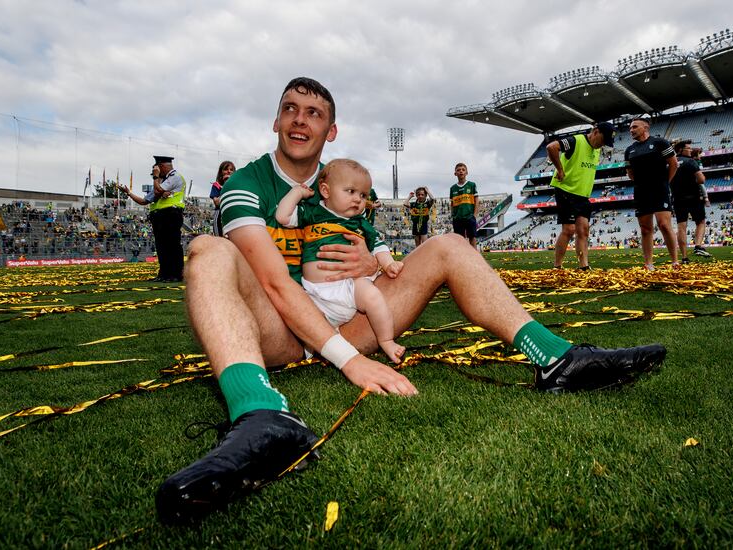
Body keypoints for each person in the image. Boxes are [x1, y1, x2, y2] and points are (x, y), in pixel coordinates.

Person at [155, 77, 667, 525]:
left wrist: (374, 262)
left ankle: (553, 358)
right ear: (276, 120)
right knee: (207, 250)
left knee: (448, 245)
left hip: (350, 315)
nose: (299, 120)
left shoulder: (344, 182)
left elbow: (380, 251)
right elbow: (272, 281)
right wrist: (351, 361)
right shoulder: (246, 183)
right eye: (290, 108)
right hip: (275, 331)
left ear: (330, 132)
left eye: (314, 113)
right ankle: (262, 412)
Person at [275, 158, 405, 363]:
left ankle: (387, 340)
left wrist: (388, 263)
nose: (358, 200)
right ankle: (317, 345)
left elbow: (378, 245)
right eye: (350, 191)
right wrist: (297, 192)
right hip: (313, 296)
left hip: (349, 289)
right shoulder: (313, 212)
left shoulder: (360, 223)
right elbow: (283, 216)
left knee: (373, 297)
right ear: (326, 191)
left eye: (363, 195)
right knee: (293, 316)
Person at [547, 122, 616, 270]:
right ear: (596, 132)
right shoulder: (576, 141)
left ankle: (583, 266)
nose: (602, 145)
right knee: (569, 229)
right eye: (603, 141)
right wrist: (559, 169)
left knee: (584, 230)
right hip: (566, 191)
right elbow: (552, 147)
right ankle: (557, 266)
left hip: (582, 195)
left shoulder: (597, 150)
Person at [117, 155, 186, 281]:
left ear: (162, 166)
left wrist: (156, 178)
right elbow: (144, 201)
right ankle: (164, 274)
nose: (155, 174)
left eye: (156, 169)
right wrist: (129, 193)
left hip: (171, 213)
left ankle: (176, 274)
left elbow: (158, 191)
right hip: (159, 215)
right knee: (161, 246)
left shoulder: (175, 177)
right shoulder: (163, 181)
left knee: (172, 245)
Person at [624, 118, 679, 270]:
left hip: (660, 190)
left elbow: (674, 164)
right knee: (645, 229)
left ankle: (675, 261)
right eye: (630, 128)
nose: (631, 130)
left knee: (664, 225)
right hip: (641, 192)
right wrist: (641, 183)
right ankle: (648, 264)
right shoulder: (629, 150)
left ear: (645, 127)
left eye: (635, 127)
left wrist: (665, 182)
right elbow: (630, 172)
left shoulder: (660, 143)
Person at [670, 142, 711, 263]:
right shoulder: (690, 161)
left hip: (677, 198)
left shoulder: (670, 162)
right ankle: (698, 246)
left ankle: (684, 257)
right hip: (693, 197)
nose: (690, 150)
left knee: (681, 227)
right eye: (688, 148)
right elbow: (701, 179)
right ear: (681, 149)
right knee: (701, 221)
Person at [449, 163, 479, 246]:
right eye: (458, 170)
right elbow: (452, 203)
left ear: (467, 172)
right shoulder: (452, 188)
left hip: (469, 216)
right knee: (459, 240)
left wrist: (475, 215)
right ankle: (461, 258)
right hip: (458, 218)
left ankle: (474, 258)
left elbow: (476, 200)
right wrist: (453, 215)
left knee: (472, 238)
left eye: (463, 169)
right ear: (455, 173)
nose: (461, 171)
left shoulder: (472, 185)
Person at [209, 160, 236, 237]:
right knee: (219, 239)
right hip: (220, 215)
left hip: (233, 215)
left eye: (231, 170)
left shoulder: (237, 185)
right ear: (221, 172)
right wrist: (226, 185)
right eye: (226, 169)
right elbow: (217, 202)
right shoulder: (216, 185)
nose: (229, 171)